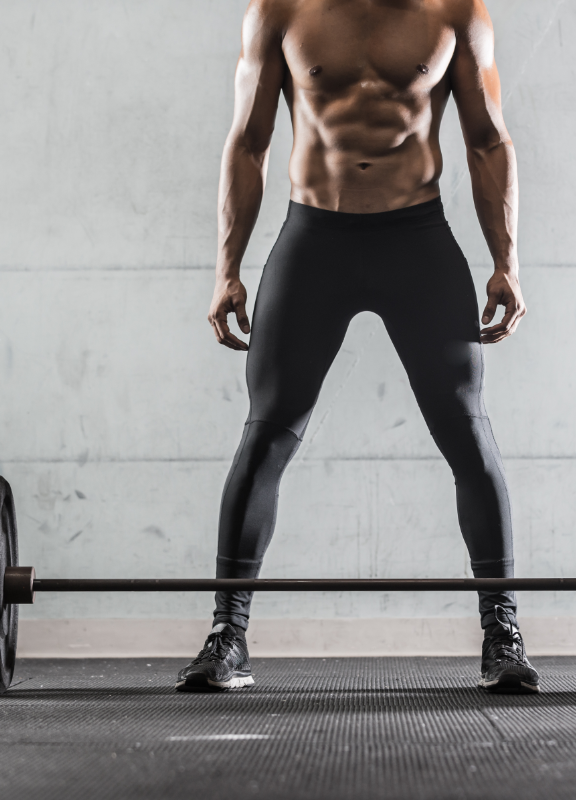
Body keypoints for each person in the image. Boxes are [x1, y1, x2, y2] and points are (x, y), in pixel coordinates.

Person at [177, 0, 534, 693]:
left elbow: (488, 140)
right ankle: (228, 634)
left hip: (416, 242)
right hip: (316, 241)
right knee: (267, 434)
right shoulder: (280, 10)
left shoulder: (456, 11)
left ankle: (503, 633)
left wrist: (507, 261)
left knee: (466, 431)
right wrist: (227, 270)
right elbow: (247, 142)